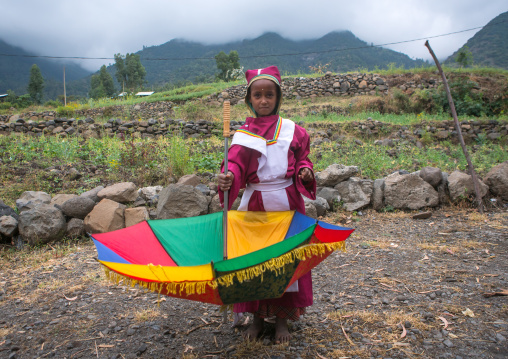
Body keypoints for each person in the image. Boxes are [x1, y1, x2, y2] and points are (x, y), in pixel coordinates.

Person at [218, 65, 316, 344]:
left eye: (269, 95)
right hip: (255, 205)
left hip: (287, 203)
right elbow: (234, 164)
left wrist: (304, 172)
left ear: (278, 97)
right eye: (258, 95)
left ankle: (282, 321)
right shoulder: (243, 134)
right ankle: (258, 320)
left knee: (287, 259)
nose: (263, 100)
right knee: (256, 262)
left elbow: (303, 159)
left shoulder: (293, 131)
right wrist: (228, 179)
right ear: (250, 99)